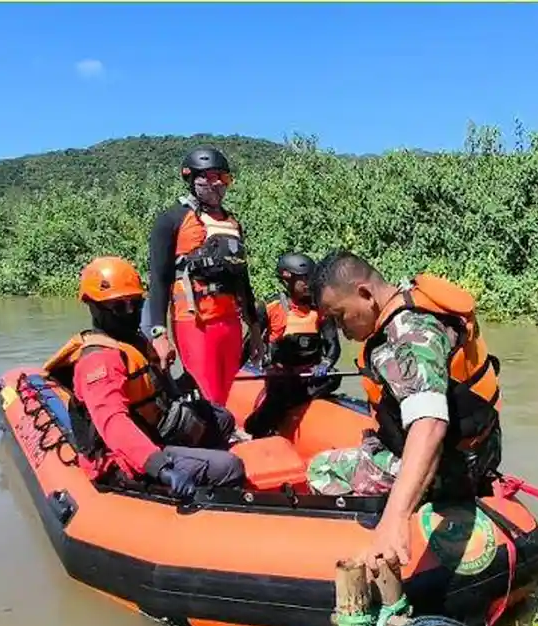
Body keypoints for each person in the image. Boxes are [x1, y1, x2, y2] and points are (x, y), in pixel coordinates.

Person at [307, 250, 503, 572]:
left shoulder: (408, 333)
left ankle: (379, 529)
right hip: (481, 452)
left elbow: (429, 424)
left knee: (323, 468)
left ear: (365, 294)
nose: (341, 329)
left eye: (340, 316)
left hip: (451, 469)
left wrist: (394, 518)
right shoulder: (413, 301)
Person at [44, 256, 246, 498]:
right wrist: (160, 467)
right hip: (121, 457)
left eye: (136, 303)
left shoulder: (133, 342)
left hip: (153, 429)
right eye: (119, 306)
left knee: (221, 419)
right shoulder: (99, 361)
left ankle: (200, 465)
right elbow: (114, 424)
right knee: (229, 467)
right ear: (93, 305)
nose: (130, 312)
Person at [144, 146, 264, 407]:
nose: (218, 184)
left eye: (224, 178)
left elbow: (243, 280)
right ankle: (215, 436)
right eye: (210, 177)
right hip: (194, 322)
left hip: (230, 322)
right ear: (191, 177)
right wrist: (159, 333)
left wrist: (254, 330)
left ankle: (223, 431)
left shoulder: (232, 223)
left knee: (225, 388)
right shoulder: (171, 219)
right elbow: (159, 279)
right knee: (206, 388)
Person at [243, 252, 343, 438]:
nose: (308, 284)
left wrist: (326, 363)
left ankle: (295, 405)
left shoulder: (320, 309)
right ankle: (257, 425)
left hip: (309, 376)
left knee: (334, 377)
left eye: (310, 279)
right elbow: (248, 345)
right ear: (287, 280)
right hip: (281, 377)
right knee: (281, 393)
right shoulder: (271, 307)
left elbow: (333, 345)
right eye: (302, 279)